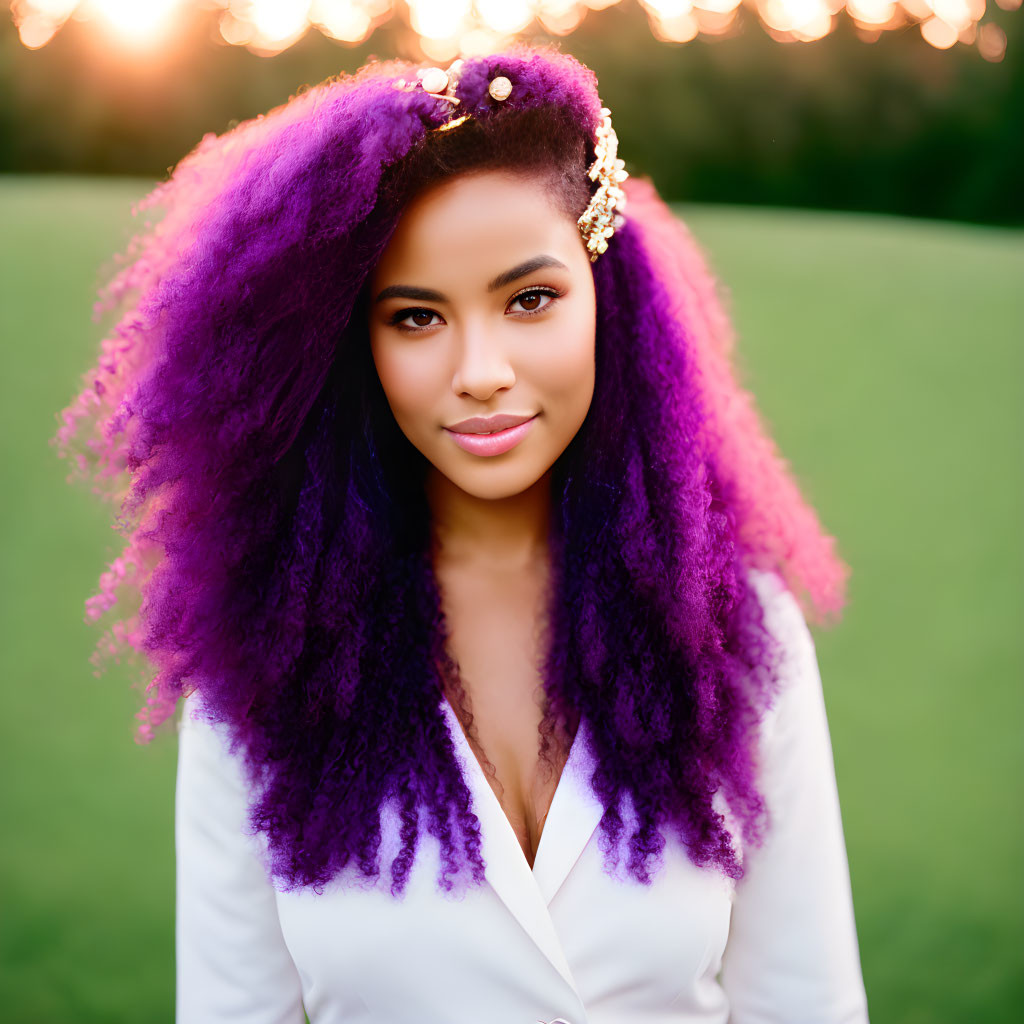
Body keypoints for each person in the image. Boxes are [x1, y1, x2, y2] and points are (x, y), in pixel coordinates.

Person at [55, 44, 869, 1024]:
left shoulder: (738, 631)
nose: (479, 368)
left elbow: (808, 1006)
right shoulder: (261, 659)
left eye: (530, 299)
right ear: (355, 341)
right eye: (415, 317)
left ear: (607, 300)